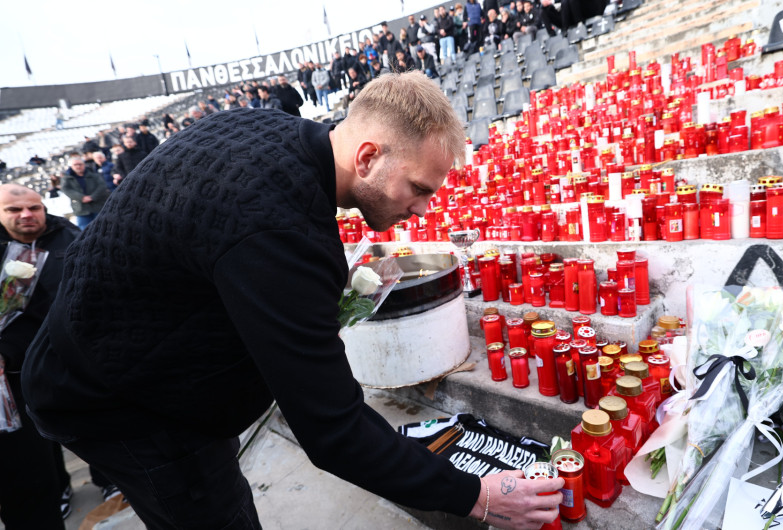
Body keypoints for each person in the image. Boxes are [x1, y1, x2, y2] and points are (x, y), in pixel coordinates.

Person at [22, 71, 563, 530]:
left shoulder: (261, 128)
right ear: (369, 156)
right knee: (208, 505)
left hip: (112, 351)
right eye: (419, 189)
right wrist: (479, 497)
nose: (421, 211)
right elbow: (334, 430)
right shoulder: (281, 233)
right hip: (122, 402)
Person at [0, 184, 80, 530]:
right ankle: (58, 490)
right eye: (14, 210)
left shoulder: (69, 237)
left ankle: (104, 479)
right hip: (14, 375)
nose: (26, 215)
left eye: (34, 207)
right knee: (31, 463)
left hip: (66, 361)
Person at [61, 156, 109, 229]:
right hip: (81, 208)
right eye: (75, 165)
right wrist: (81, 197)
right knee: (85, 230)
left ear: (84, 165)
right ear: (71, 166)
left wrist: (92, 197)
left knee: (103, 227)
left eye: (80, 164)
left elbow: (102, 186)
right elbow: (66, 189)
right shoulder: (67, 178)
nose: (78, 166)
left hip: (98, 206)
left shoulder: (94, 175)